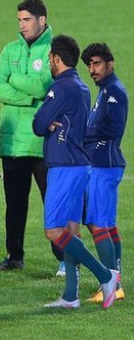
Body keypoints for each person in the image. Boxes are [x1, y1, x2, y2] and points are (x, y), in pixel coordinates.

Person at [34, 35, 119, 309]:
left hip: (65, 167)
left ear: (57, 59)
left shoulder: (61, 87)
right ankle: (71, 296)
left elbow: (38, 124)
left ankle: (106, 276)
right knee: (71, 229)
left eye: (50, 58)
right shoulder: (82, 87)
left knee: (54, 231)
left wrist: (48, 122)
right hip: (79, 165)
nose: (49, 62)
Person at [0, 0, 62, 273]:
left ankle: (63, 259)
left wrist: (14, 81)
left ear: (42, 20)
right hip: (13, 142)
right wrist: (29, 97)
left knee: (52, 204)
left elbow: (44, 86)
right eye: (19, 20)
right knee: (14, 205)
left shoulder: (54, 51)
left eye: (27, 19)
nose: (22, 25)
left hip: (42, 143)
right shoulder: (10, 50)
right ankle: (14, 256)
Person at [81, 42, 127, 303]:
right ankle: (116, 283)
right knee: (107, 224)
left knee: (99, 224)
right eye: (89, 65)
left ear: (110, 64)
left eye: (97, 63)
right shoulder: (105, 91)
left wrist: (83, 132)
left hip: (104, 165)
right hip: (104, 164)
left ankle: (111, 284)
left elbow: (115, 129)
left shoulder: (114, 91)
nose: (92, 69)